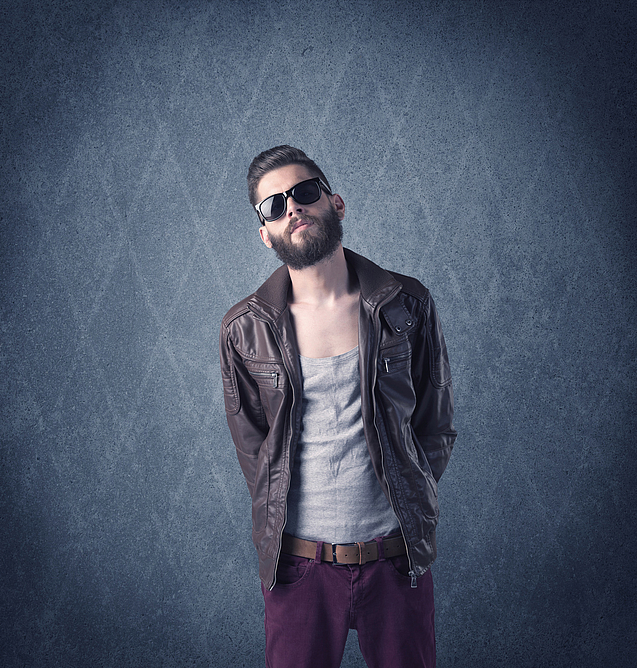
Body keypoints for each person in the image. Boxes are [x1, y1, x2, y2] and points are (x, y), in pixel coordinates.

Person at [219, 145, 457, 668]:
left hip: (396, 558)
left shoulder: (407, 304)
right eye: (274, 206)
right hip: (297, 567)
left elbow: (435, 424)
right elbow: (255, 450)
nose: (292, 208)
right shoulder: (244, 329)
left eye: (304, 192)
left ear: (336, 203)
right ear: (266, 234)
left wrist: (411, 492)